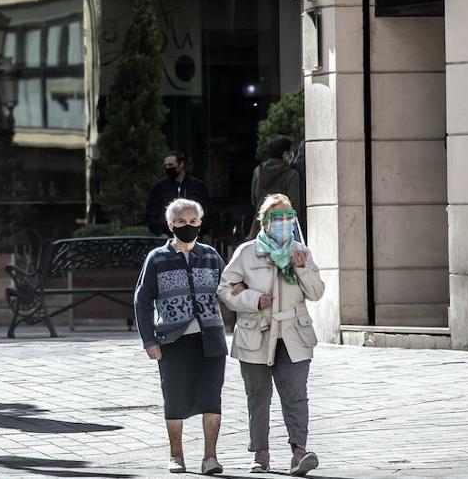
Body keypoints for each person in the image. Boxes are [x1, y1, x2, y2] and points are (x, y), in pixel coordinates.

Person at [218, 194, 325, 476]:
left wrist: (301, 268)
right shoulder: (247, 252)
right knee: (258, 397)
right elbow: (225, 289)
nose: (284, 223)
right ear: (264, 222)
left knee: (295, 395)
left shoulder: (301, 251)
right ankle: (261, 454)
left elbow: (316, 292)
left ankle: (299, 452)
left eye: (289, 217)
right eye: (278, 218)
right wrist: (253, 299)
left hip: (293, 335)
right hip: (256, 334)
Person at [134, 198, 227, 475]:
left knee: (212, 398)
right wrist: (149, 340)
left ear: (200, 223)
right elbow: (142, 300)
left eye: (193, 221)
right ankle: (177, 455)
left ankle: (210, 458)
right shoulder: (157, 258)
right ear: (170, 225)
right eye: (182, 222)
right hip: (172, 342)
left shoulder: (211, 255)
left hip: (211, 339)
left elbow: (230, 289)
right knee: (174, 399)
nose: (188, 226)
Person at [144, 152, 214, 237]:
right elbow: (151, 214)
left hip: (192, 237)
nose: (167, 168)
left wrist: (197, 232)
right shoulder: (159, 188)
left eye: (170, 165)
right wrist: (160, 233)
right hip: (166, 237)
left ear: (181, 164)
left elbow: (206, 213)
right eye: (165, 165)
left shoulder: (197, 186)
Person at [248, 136, 301, 238]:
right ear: (285, 154)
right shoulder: (291, 174)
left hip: (259, 227)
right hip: (284, 230)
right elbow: (295, 206)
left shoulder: (258, 172)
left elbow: (254, 200)